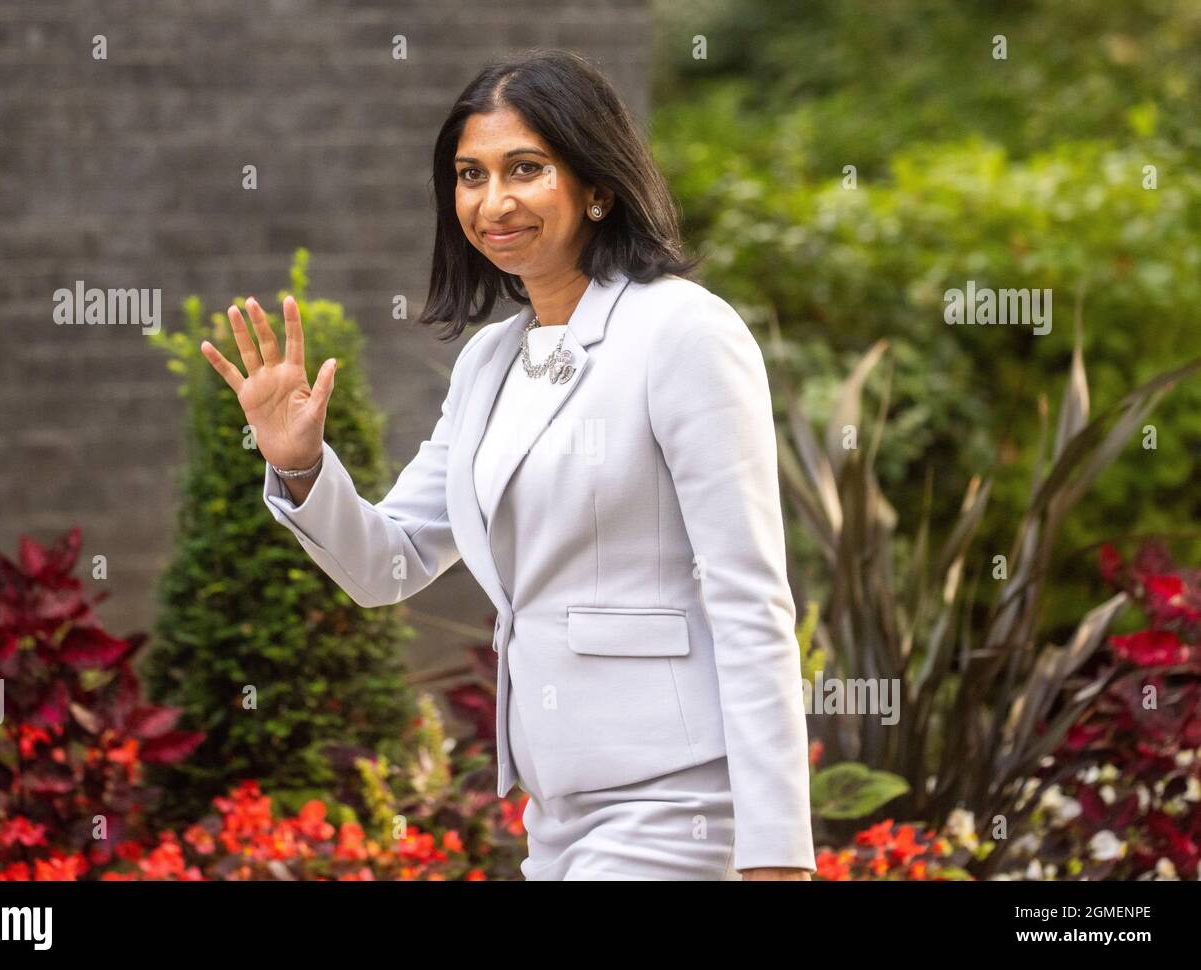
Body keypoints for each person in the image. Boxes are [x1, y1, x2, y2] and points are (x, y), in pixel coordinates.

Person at [200, 48, 814, 881]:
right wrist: (303, 465)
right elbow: (392, 563)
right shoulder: (490, 361)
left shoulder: (684, 334)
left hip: (677, 806)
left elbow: (750, 596)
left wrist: (778, 855)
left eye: (525, 169)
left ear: (597, 185)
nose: (494, 202)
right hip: (552, 812)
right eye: (470, 175)